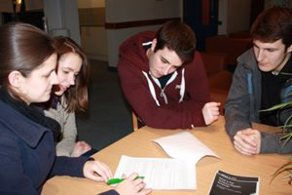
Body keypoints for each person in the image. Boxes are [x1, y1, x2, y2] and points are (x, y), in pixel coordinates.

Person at [0, 22, 151, 195]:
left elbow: (38, 163)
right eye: (47, 74)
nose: (56, 80)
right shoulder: (4, 141)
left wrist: (80, 166)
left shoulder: (26, 109)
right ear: (16, 79)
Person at [117, 20, 220, 129]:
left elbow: (201, 102)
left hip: (184, 124)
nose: (165, 71)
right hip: (150, 128)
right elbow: (150, 116)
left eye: (175, 67)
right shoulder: (128, 66)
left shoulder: (192, 60)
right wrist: (197, 117)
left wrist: (160, 112)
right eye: (164, 61)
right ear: (154, 44)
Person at [224, 7, 292, 155]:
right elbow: (235, 106)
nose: (260, 57)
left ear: (290, 46)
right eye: (256, 46)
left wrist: (267, 142)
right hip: (254, 139)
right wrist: (240, 132)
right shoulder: (246, 63)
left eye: (270, 50)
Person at [43, 36, 94, 157]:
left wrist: (68, 153)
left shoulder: (64, 97)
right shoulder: (35, 107)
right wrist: (70, 156)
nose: (72, 82)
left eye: (75, 74)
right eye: (66, 71)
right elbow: (41, 157)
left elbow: (70, 134)